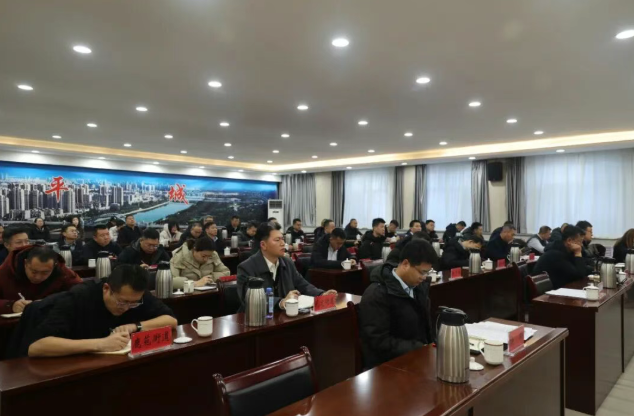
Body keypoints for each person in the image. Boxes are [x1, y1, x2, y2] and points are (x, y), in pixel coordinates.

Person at [26, 264, 177, 357]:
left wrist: (135, 326)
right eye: (122, 302)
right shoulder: (78, 297)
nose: (126, 308)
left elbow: (171, 321)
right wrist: (101, 344)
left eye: (133, 303)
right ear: (106, 289)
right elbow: (37, 347)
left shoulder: (136, 295)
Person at [358, 239, 438, 369]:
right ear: (405, 264)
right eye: (422, 272)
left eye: (427, 272)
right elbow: (378, 341)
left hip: (418, 357)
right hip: (389, 367)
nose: (424, 277)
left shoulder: (418, 288)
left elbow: (425, 328)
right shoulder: (377, 294)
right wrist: (419, 348)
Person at [237, 223, 335, 312]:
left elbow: (303, 284)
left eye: (283, 239)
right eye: (277, 240)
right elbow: (250, 299)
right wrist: (281, 302)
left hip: (284, 317)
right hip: (256, 319)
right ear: (263, 245)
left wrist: (321, 294)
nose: (283, 243)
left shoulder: (287, 262)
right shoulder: (246, 268)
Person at [0, 245, 82, 314]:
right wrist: (10, 306)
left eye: (45, 272)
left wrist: (54, 301)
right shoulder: (5, 271)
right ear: (25, 263)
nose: (38, 277)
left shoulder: (62, 272)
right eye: (34, 271)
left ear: (54, 266)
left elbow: (81, 293)